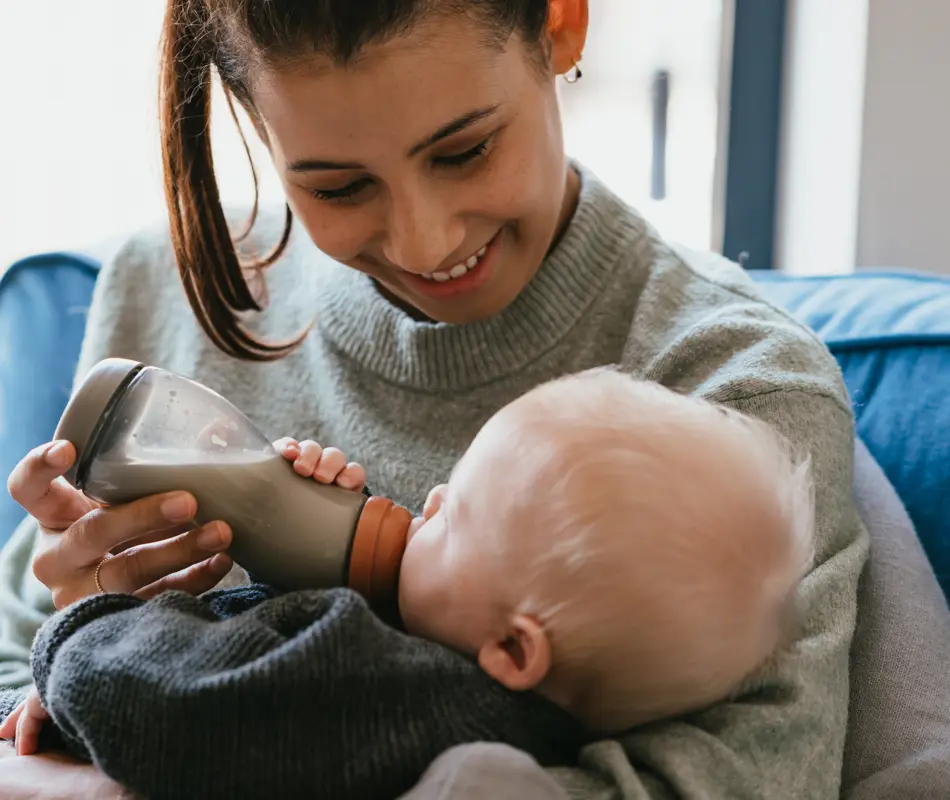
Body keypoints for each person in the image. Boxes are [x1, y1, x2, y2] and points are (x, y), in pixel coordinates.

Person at [0, 0, 868, 797]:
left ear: (561, 23)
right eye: (338, 186)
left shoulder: (737, 390)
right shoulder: (165, 289)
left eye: (464, 150)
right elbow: (12, 671)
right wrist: (80, 619)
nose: (425, 243)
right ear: (253, 121)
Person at [0, 371, 815, 800]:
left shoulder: (386, 693)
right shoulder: (447, 670)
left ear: (512, 650)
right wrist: (293, 550)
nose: (427, 499)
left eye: (455, 517)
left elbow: (165, 707)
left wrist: (87, 630)